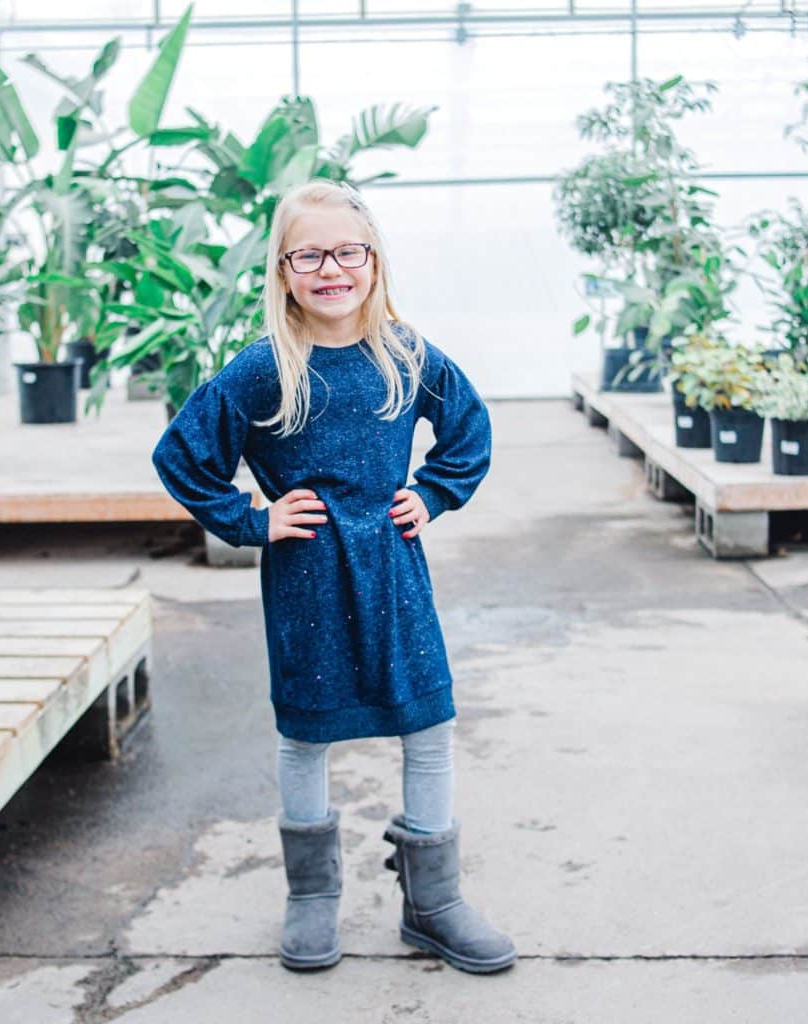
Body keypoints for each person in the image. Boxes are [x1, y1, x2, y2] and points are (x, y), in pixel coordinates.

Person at [151, 180, 516, 975]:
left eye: (346, 251)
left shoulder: (407, 354)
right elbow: (181, 456)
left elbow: (468, 429)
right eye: (308, 254)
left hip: (393, 570)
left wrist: (433, 492)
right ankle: (311, 896)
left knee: (427, 724)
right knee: (306, 732)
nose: (330, 269)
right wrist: (254, 519)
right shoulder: (260, 370)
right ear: (283, 270)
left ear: (373, 261)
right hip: (308, 579)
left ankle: (434, 902)